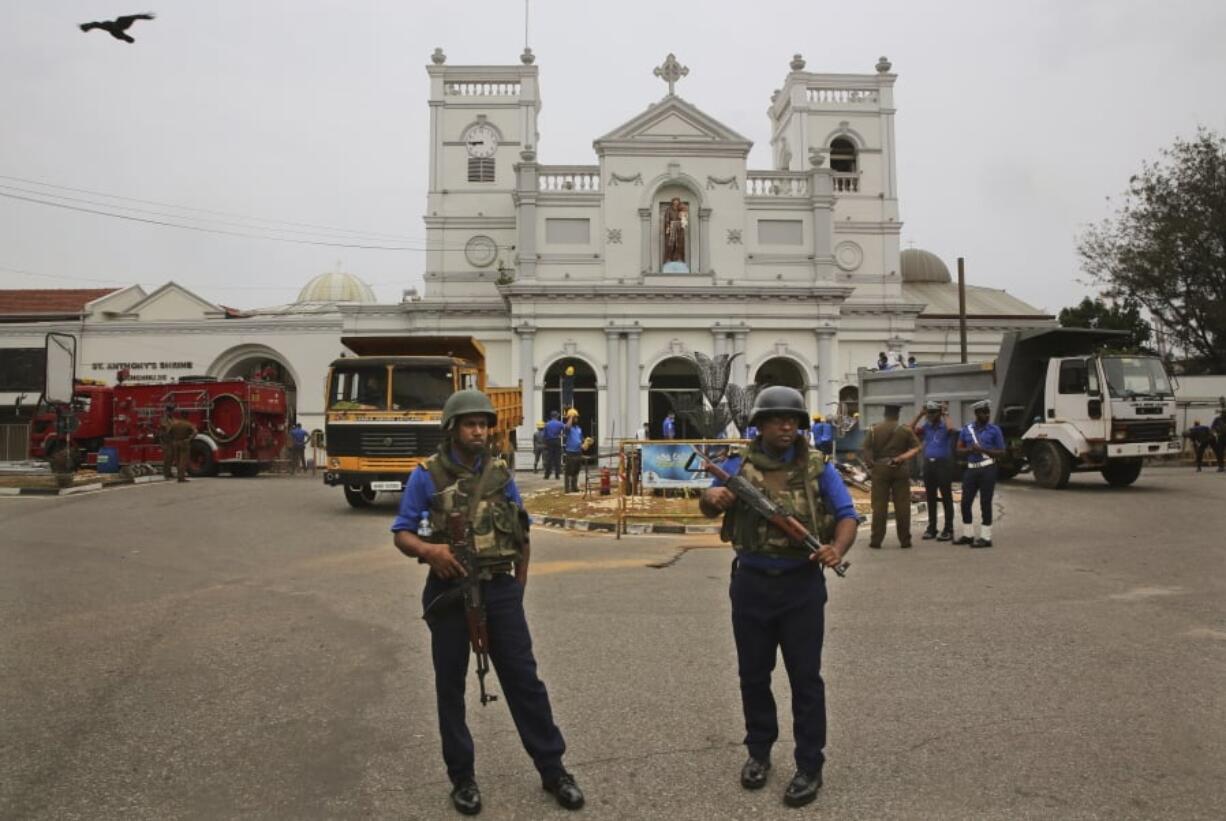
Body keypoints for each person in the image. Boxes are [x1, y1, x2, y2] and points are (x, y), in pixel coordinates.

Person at [390, 390, 584, 815]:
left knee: (525, 682)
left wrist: (518, 587)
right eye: (470, 424)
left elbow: (522, 531)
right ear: (453, 429)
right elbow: (403, 532)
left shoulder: (500, 473)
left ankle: (554, 770)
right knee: (450, 687)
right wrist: (430, 552)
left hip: (499, 590)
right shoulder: (426, 475)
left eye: (483, 423)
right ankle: (462, 778)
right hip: (450, 591)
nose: (479, 430)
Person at [698, 385, 859, 808]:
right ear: (761, 425)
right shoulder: (738, 464)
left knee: (806, 678)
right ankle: (759, 753)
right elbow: (709, 504)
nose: (786, 425)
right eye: (776, 419)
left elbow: (847, 515)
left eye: (793, 419)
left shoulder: (818, 468)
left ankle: (810, 764)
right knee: (754, 675)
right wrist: (711, 498)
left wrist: (836, 549)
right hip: (751, 583)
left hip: (801, 586)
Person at [861, 404, 921, 548]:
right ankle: (905, 540)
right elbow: (917, 448)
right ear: (898, 415)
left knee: (879, 505)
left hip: (880, 469)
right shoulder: (905, 430)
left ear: (885, 414)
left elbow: (866, 448)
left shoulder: (874, 429)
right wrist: (901, 458)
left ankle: (876, 540)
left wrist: (870, 464)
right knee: (902, 505)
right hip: (900, 468)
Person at [956, 399, 1006, 547]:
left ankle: (986, 537)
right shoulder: (967, 429)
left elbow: (1002, 452)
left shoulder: (994, 430)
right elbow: (958, 450)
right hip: (971, 469)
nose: (987, 415)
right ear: (977, 414)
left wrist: (983, 450)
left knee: (985, 503)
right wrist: (970, 450)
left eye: (988, 412)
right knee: (965, 503)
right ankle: (968, 534)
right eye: (984, 412)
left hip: (988, 469)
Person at [912, 401, 956, 541]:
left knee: (946, 497)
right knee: (930, 497)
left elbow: (951, 429)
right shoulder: (926, 427)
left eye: (933, 412)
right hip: (929, 465)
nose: (931, 415)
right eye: (929, 413)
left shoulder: (944, 426)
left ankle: (948, 529)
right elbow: (909, 429)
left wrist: (945, 413)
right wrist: (920, 414)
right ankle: (932, 528)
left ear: (939, 413)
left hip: (943, 465)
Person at [160, 407, 196, 482]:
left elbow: (169, 431)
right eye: (170, 411)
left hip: (174, 442)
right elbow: (195, 432)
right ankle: (177, 476)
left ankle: (172, 474)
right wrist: (189, 439)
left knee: (177, 459)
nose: (171, 412)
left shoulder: (175, 422)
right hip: (170, 441)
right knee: (179, 460)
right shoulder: (165, 419)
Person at [562, 409, 584, 493]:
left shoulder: (579, 428)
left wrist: (584, 443)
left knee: (576, 470)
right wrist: (571, 416)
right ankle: (567, 489)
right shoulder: (568, 428)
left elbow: (581, 439)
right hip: (570, 452)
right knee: (569, 471)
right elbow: (567, 427)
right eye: (575, 418)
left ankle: (574, 487)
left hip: (578, 451)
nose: (576, 419)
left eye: (576, 418)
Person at [543, 410, 564, 480]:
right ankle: (557, 475)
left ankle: (547, 475)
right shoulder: (559, 423)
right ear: (557, 416)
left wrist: (545, 443)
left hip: (549, 441)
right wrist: (561, 434)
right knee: (557, 458)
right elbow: (566, 428)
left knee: (549, 458)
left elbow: (544, 435)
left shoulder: (547, 424)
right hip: (557, 441)